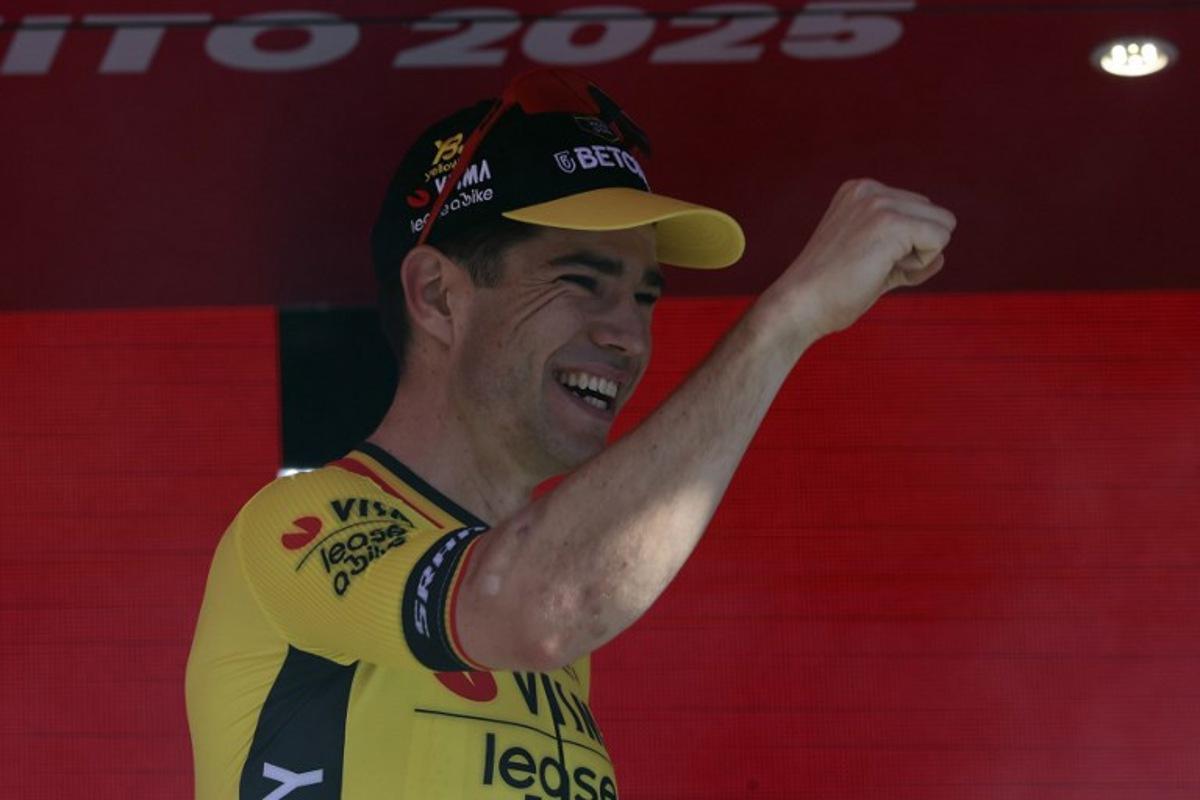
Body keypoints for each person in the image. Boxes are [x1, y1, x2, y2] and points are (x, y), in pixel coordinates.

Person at [185, 68, 956, 799]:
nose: (628, 335)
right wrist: (785, 321)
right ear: (439, 296)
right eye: (581, 283)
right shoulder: (297, 525)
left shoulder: (530, 615)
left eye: (644, 297)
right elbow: (541, 605)